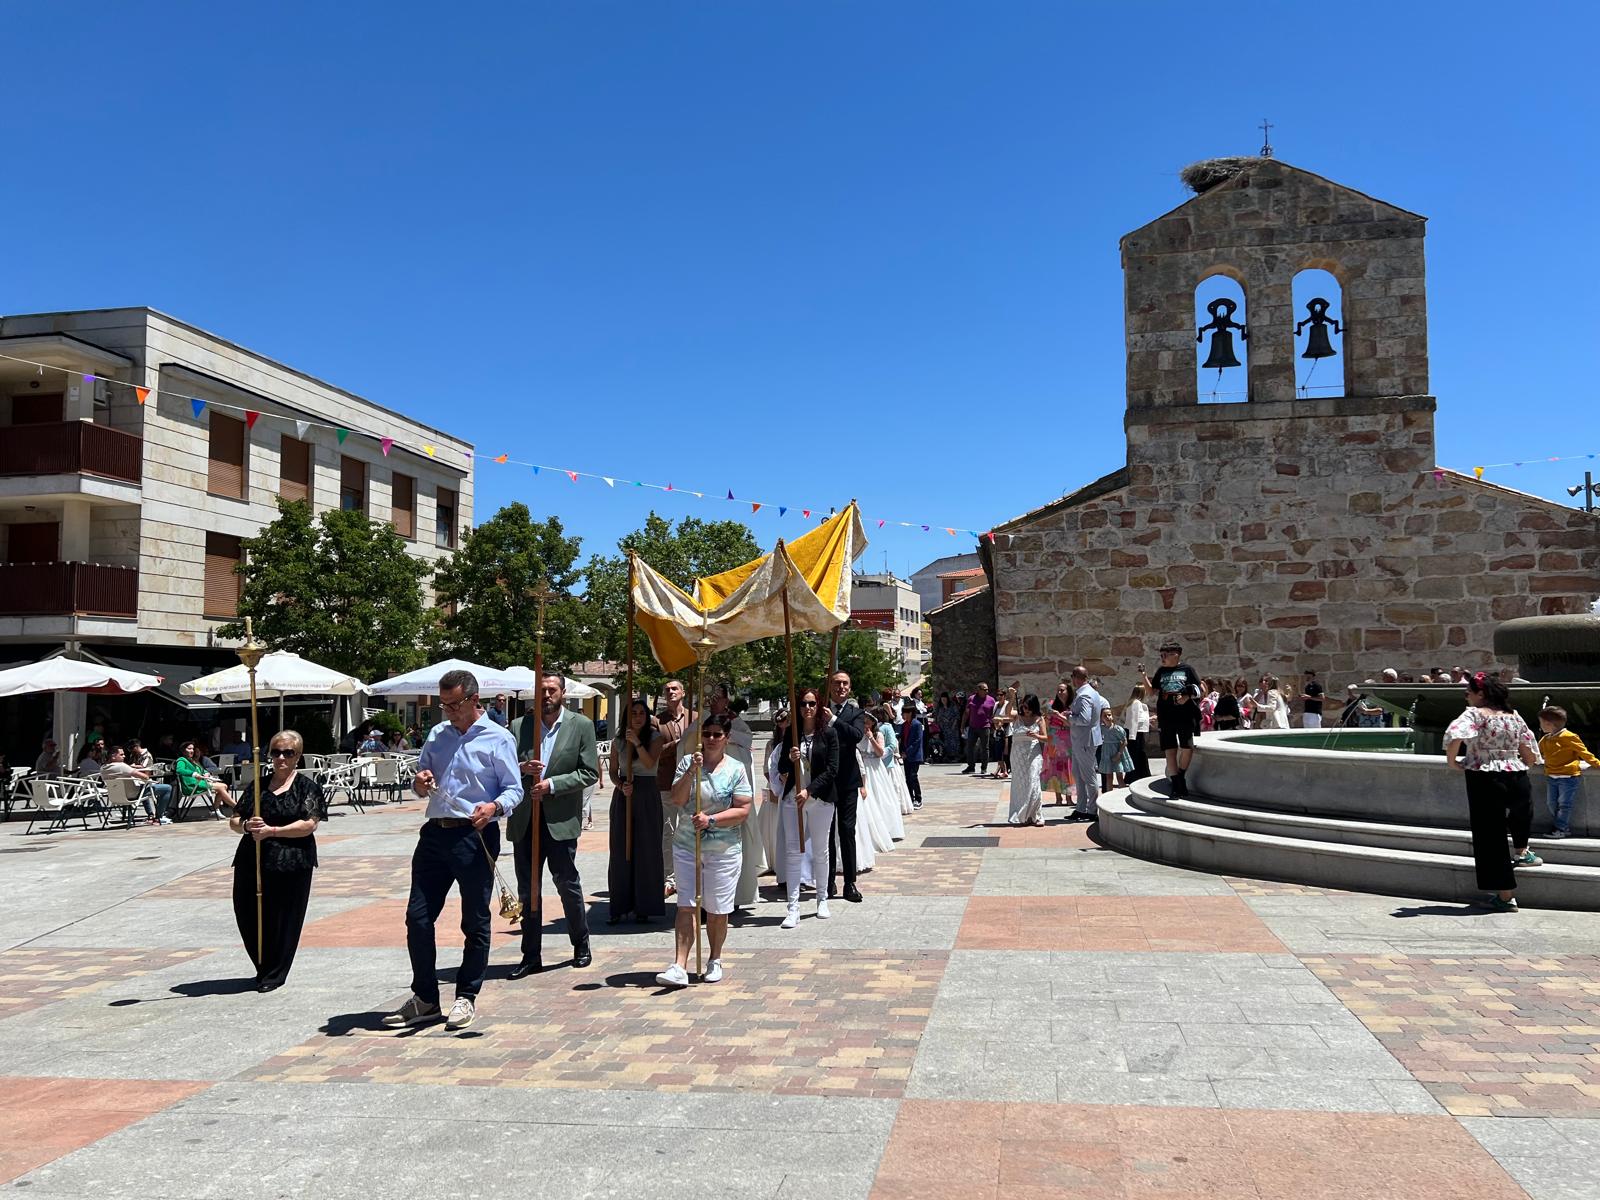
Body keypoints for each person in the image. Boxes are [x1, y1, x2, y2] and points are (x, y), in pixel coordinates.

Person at [385, 668, 522, 1032]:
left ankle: (467, 995)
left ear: (475, 700)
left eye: (454, 705)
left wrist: (494, 807)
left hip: (474, 837)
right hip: (434, 834)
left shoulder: (498, 737)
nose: (448, 712)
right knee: (417, 917)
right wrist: (419, 781)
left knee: (474, 920)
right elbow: (421, 783)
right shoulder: (438, 734)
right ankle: (426, 998)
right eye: (443, 705)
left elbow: (514, 789)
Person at [508, 673, 598, 977]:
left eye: (552, 690)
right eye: (541, 690)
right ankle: (531, 955)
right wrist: (521, 768)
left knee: (567, 884)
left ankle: (581, 942)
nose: (546, 695)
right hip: (525, 820)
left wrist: (553, 784)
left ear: (563, 693)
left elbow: (589, 772)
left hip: (559, 819)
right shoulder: (520, 726)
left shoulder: (580, 726)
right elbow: (505, 768)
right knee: (527, 890)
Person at [656, 714, 753, 987]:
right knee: (685, 905)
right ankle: (679, 964)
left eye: (716, 734)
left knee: (717, 909)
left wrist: (712, 820)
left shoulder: (735, 768)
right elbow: (676, 799)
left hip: (723, 849)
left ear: (726, 738)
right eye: (706, 734)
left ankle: (715, 958)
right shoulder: (689, 762)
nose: (710, 739)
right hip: (688, 845)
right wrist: (690, 772)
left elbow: (743, 810)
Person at [229, 730, 324, 992]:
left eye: (288, 753)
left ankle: (275, 971)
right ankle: (261, 964)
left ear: (298, 756)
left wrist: (272, 831)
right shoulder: (258, 785)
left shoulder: (307, 787)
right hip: (253, 858)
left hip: (292, 861)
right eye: (276, 752)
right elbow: (234, 820)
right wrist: (248, 826)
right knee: (247, 911)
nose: (281, 758)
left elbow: (308, 824)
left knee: (283, 917)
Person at [1444, 671, 1542, 913]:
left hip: (1484, 774)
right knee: (1522, 811)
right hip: (1515, 772)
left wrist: (1452, 760)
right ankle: (1522, 851)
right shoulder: (1513, 716)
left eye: (1470, 691)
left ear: (1481, 694)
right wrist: (1525, 763)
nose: (1466, 695)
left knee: (1490, 834)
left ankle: (1506, 896)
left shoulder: (1475, 714)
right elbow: (1528, 746)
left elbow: (1456, 733)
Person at [683, 684, 761, 910]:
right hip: (705, 794)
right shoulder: (701, 722)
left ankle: (734, 898)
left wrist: (726, 732)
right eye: (711, 696)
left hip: (730, 794)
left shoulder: (737, 723)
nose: (714, 700)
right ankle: (703, 900)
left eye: (719, 696)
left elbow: (746, 744)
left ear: (727, 700)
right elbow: (686, 745)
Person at [777, 686, 839, 928]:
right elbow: (782, 765)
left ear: (819, 705)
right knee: (793, 851)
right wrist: (790, 759)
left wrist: (809, 790)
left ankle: (822, 898)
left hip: (820, 799)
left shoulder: (829, 734)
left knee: (822, 850)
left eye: (812, 703)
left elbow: (832, 769)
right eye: (803, 704)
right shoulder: (791, 733)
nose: (808, 708)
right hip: (794, 798)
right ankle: (793, 907)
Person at [607, 698, 666, 922]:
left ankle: (644, 904)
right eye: (634, 713)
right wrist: (621, 785)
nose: (638, 717)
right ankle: (619, 905)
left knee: (647, 849)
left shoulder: (655, 737)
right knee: (621, 848)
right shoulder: (618, 740)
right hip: (626, 794)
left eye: (642, 713)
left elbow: (650, 763)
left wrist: (637, 743)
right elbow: (613, 770)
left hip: (647, 792)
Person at [825, 671, 867, 903]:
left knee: (846, 830)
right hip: (826, 781)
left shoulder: (855, 713)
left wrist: (833, 720)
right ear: (830, 686)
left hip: (848, 781)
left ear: (849, 688)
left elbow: (856, 736)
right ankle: (828, 879)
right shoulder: (821, 710)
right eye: (837, 683)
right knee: (826, 833)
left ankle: (849, 882)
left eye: (845, 684)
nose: (841, 687)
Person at [1143, 643, 1202, 797]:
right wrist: (1143, 676)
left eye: (1165, 655)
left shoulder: (1187, 669)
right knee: (1170, 749)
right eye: (1161, 655)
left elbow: (1200, 689)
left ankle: (1180, 776)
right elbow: (1151, 692)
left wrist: (1187, 697)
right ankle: (1177, 782)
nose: (1162, 658)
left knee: (1187, 747)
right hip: (1166, 713)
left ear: (1176, 654)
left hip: (1185, 714)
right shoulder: (1161, 671)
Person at [654, 679, 695, 898]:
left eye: (674, 689)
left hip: (693, 784)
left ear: (683, 692)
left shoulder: (695, 717)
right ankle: (670, 878)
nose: (671, 692)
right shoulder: (657, 721)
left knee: (691, 829)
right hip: (666, 783)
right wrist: (679, 743)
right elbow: (655, 752)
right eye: (667, 690)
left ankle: (689, 874)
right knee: (668, 832)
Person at [1538, 705, 1599, 839]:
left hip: (1568, 777)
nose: (1540, 726)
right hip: (1551, 776)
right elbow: (1537, 752)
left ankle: (1560, 828)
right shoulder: (1546, 739)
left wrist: (1597, 764)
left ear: (1549, 724)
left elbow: (1584, 752)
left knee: (1564, 804)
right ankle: (1561, 826)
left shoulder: (1569, 736)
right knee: (1551, 803)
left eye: (1541, 723)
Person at [1067, 667, 1106, 819]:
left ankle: (1092, 810)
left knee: (1088, 776)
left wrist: (1069, 719)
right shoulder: (1090, 692)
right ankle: (1081, 808)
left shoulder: (1085, 695)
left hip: (1085, 740)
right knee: (1078, 774)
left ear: (1076, 677)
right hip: (1082, 739)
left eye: (1072, 676)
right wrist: (1071, 714)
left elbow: (1084, 719)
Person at [100, 744, 173, 825]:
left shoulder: (103, 768)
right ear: (113, 756)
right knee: (167, 788)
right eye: (121, 754)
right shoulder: (121, 766)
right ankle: (159, 817)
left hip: (115, 796)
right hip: (132, 795)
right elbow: (145, 777)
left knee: (143, 787)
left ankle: (150, 815)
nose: (124, 756)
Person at [1006, 694, 1047, 826]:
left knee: (1033, 782)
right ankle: (1024, 815)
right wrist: (1011, 697)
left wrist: (1036, 735)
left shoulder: (1039, 719)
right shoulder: (1017, 717)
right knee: (1021, 784)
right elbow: (1007, 712)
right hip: (1017, 755)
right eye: (1024, 707)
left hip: (1033, 753)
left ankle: (1037, 815)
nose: (1026, 710)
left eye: (1029, 708)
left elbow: (1046, 737)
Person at [175, 739, 233, 813]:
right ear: (183, 750)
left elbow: (202, 770)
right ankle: (235, 806)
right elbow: (179, 770)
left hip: (199, 783)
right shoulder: (181, 760)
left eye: (192, 749)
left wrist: (206, 773)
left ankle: (215, 809)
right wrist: (194, 774)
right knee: (222, 787)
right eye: (189, 749)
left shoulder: (192, 761)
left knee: (224, 786)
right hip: (192, 786)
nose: (192, 751)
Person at [962, 683, 996, 775]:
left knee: (985, 748)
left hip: (985, 727)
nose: (987, 691)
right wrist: (962, 726)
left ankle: (984, 768)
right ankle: (971, 767)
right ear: (978, 690)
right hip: (973, 727)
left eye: (987, 689)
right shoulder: (971, 699)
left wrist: (994, 726)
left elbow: (994, 714)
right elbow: (966, 713)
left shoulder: (991, 700)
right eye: (984, 689)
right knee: (970, 747)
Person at [1098, 707, 1135, 791]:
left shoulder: (1117, 729)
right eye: (1104, 716)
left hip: (1117, 753)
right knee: (1109, 776)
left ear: (1112, 716)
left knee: (1119, 775)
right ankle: (1108, 795)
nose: (1107, 717)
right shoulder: (1101, 729)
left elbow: (1124, 741)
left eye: (1109, 715)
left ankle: (1121, 794)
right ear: (1101, 718)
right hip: (1107, 753)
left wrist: (1119, 754)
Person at [900, 699, 924, 811]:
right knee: (907, 778)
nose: (902, 715)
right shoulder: (904, 725)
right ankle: (910, 797)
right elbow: (902, 739)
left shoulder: (917, 724)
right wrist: (901, 751)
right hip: (905, 755)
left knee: (913, 776)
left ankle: (918, 799)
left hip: (914, 756)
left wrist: (907, 752)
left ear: (909, 713)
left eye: (904, 713)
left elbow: (917, 741)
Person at [1123, 686, 1151, 781]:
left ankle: (1137, 776)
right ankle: (1136, 776)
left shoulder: (1134, 703)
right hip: (1135, 733)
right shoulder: (1136, 703)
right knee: (1137, 754)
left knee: (1137, 755)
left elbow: (1138, 718)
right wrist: (1132, 736)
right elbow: (1134, 720)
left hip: (1134, 732)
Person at [991, 686, 1016, 780]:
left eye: (1001, 695)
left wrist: (1000, 720)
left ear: (1005, 696)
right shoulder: (996, 704)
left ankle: (1004, 771)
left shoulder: (1008, 705)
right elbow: (993, 716)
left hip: (1006, 732)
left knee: (1004, 752)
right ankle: (1001, 770)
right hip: (997, 732)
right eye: (997, 695)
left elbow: (1011, 718)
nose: (999, 696)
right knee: (998, 751)